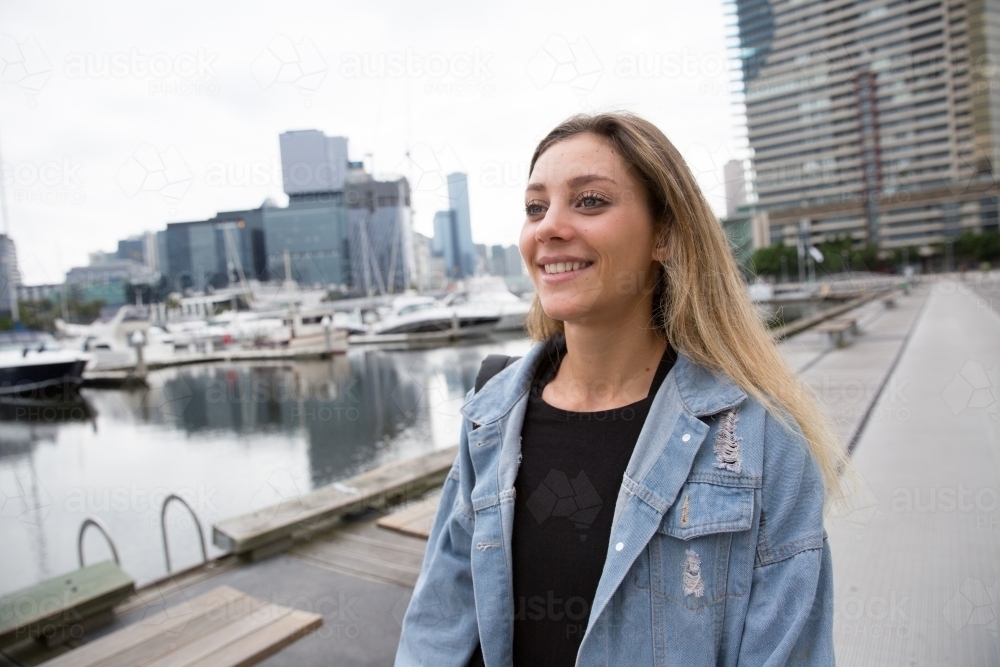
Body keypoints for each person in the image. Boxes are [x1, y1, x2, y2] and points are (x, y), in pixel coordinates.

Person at [395, 112, 848, 666]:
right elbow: (437, 630)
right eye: (536, 207)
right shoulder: (488, 420)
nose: (548, 227)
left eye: (589, 201)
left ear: (664, 234)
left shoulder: (761, 442)